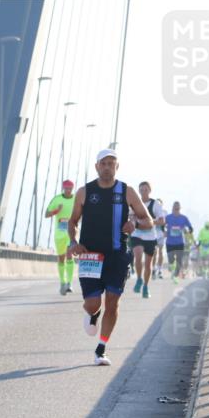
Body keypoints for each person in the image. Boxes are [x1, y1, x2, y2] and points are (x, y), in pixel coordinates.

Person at [67, 148, 152, 366]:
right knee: (92, 303)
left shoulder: (127, 191)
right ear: (97, 167)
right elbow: (72, 221)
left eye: (111, 163)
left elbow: (148, 220)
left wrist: (134, 223)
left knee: (113, 303)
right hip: (90, 256)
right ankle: (93, 314)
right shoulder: (84, 192)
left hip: (118, 255)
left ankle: (101, 348)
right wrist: (74, 242)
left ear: (117, 166)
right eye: (103, 163)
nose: (107, 167)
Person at [129, 182, 166, 298]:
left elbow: (162, 220)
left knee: (148, 264)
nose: (144, 191)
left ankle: (145, 286)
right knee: (138, 256)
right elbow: (129, 216)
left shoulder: (155, 204)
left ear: (150, 190)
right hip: (137, 234)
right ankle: (139, 279)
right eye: (141, 190)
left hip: (151, 236)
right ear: (138, 191)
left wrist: (150, 222)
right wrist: (133, 219)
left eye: (146, 189)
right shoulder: (134, 203)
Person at [45, 180, 77, 295]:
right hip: (59, 234)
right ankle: (62, 282)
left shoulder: (76, 199)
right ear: (63, 188)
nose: (68, 190)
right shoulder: (57, 199)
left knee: (69, 255)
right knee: (61, 258)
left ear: (72, 188)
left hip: (71, 232)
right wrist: (56, 211)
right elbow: (46, 214)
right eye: (66, 188)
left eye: (70, 188)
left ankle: (69, 283)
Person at [165, 202, 194, 283]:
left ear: (180, 208)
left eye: (178, 208)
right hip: (169, 242)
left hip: (180, 242)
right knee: (171, 260)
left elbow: (191, 228)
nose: (176, 209)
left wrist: (189, 231)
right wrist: (164, 231)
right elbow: (162, 226)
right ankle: (172, 267)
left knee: (179, 261)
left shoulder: (184, 218)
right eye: (175, 207)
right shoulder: (168, 217)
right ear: (172, 208)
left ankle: (175, 276)